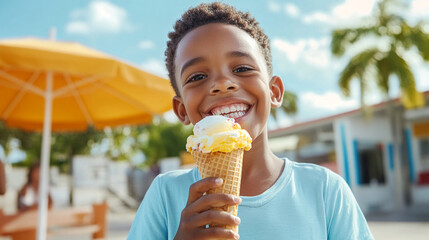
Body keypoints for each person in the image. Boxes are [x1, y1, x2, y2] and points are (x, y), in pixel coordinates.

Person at [128, 2, 374, 239]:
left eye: (242, 69)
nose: (223, 84)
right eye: (198, 76)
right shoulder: (165, 194)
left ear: (274, 91)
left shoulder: (325, 190)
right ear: (181, 109)